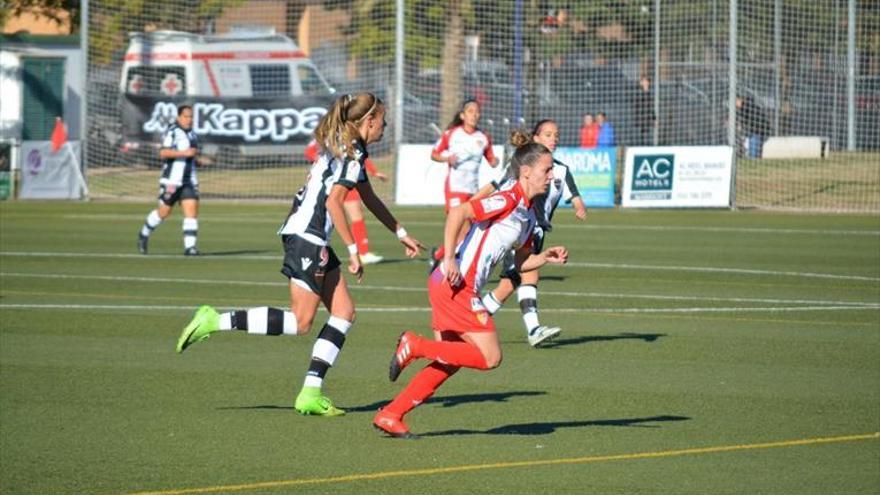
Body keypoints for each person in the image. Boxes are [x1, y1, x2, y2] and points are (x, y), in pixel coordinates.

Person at [175, 93, 424, 417]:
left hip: (310, 236)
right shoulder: (350, 153)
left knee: (344, 312)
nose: (385, 127)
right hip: (308, 237)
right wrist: (353, 251)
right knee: (301, 321)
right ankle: (214, 320)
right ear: (369, 121)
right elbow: (335, 203)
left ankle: (310, 392)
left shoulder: (350, 147)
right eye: (383, 121)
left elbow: (368, 196)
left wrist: (401, 233)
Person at [373, 131, 569, 439]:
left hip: (451, 285)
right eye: (547, 170)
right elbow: (460, 211)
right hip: (455, 284)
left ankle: (391, 414)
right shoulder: (507, 199)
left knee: (450, 359)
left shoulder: (529, 215)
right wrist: (449, 257)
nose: (552, 175)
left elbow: (519, 264)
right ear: (527, 172)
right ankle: (415, 344)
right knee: (490, 357)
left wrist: (544, 257)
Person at [479, 119, 587, 347]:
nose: (553, 138)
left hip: (535, 231)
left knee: (509, 284)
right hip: (516, 228)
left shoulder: (562, 170)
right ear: (536, 139)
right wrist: (473, 203)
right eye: (548, 134)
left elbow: (574, 196)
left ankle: (476, 319)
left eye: (556, 134)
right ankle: (533, 329)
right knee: (527, 274)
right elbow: (495, 185)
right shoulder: (521, 166)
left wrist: (579, 206)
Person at [427, 99, 500, 271]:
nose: (474, 114)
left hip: (473, 191)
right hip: (455, 189)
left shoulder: (483, 138)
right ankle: (453, 265)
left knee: (467, 232)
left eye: (477, 111)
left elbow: (491, 160)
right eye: (470, 111)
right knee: (464, 230)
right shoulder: (452, 134)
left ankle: (438, 255)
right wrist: (447, 158)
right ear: (462, 115)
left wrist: (496, 161)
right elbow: (434, 154)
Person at [305, 138, 388, 264]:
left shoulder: (350, 136)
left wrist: (374, 172)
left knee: (356, 215)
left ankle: (363, 252)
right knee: (324, 217)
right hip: (334, 181)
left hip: (347, 179)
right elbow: (309, 151)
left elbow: (359, 157)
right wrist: (322, 162)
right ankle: (358, 252)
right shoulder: (328, 133)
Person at [137, 105, 202, 256]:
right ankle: (144, 234)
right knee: (164, 212)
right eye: (186, 116)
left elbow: (191, 156)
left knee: (191, 212)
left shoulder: (193, 134)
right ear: (179, 117)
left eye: (191, 117)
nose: (189, 119)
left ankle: (190, 248)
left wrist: (198, 160)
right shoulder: (172, 131)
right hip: (171, 181)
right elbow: (163, 153)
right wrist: (185, 153)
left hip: (189, 180)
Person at [635, 77, 657, 145]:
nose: (644, 82)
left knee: (648, 138)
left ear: (648, 83)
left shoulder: (650, 94)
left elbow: (651, 107)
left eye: (645, 81)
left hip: (647, 119)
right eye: (643, 81)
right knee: (640, 138)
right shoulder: (638, 92)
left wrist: (654, 119)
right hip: (640, 119)